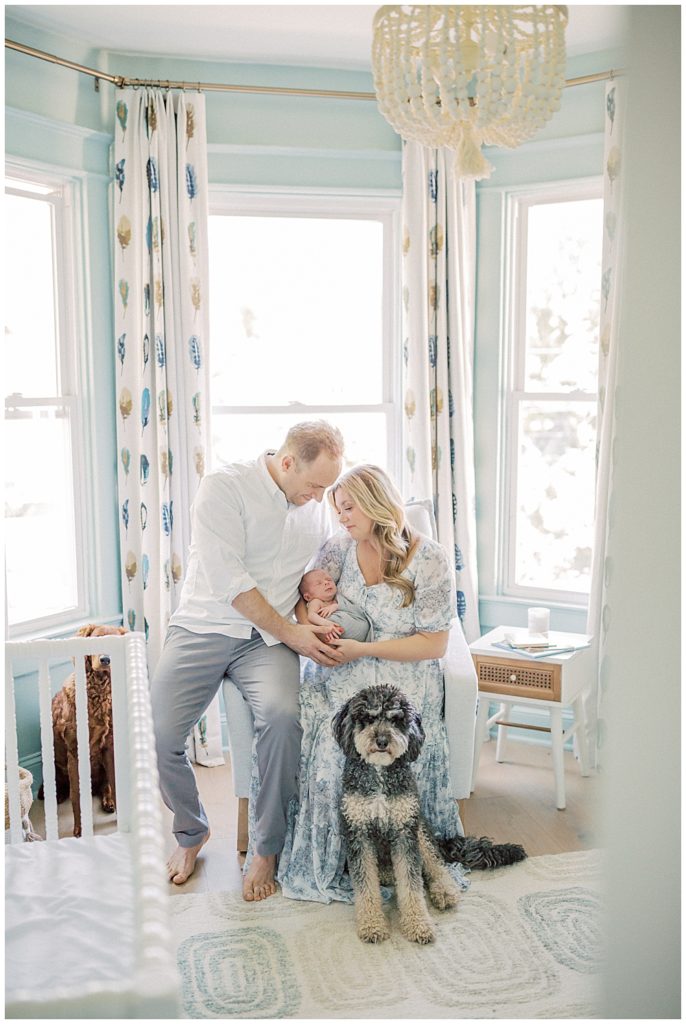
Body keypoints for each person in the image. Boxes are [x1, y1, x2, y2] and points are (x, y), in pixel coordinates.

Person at [150, 421, 345, 901]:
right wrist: (294, 634)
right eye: (315, 485)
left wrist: (311, 610)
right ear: (285, 463)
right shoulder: (224, 488)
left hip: (266, 641)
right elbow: (231, 582)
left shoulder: (313, 511)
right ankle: (191, 832)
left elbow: (302, 579)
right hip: (204, 625)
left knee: (283, 719)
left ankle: (265, 848)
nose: (321, 499)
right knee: (159, 735)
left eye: (327, 488)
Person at [276, 464, 470, 902]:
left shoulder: (430, 558)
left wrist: (364, 650)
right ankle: (342, 857)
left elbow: (435, 644)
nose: (342, 517)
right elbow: (304, 606)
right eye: (338, 509)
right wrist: (317, 622)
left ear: (374, 502)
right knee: (333, 746)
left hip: (402, 672)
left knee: (398, 733)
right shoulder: (337, 550)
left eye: (348, 507)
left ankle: (412, 858)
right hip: (343, 668)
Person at [299, 568, 372, 643]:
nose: (326, 582)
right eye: (319, 583)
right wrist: (327, 624)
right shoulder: (316, 601)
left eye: (329, 579)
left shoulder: (338, 597)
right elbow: (311, 616)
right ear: (308, 597)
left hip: (360, 625)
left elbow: (353, 609)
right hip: (335, 630)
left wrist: (335, 606)